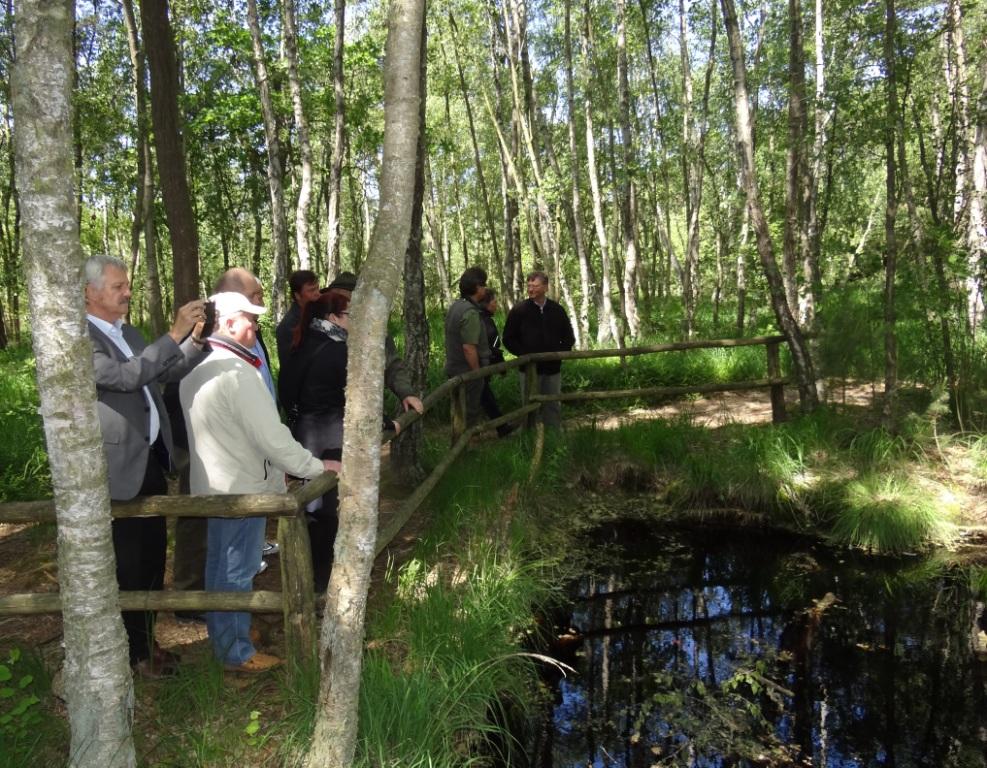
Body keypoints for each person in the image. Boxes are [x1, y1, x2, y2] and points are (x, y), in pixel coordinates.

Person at [180, 291, 337, 673]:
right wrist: (317, 467)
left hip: (214, 487)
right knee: (237, 570)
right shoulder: (237, 374)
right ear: (229, 323)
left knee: (220, 567)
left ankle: (228, 637)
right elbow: (271, 438)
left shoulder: (198, 369)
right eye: (250, 319)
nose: (255, 326)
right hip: (243, 488)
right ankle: (236, 653)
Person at [84, 254, 208, 678]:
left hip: (151, 460)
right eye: (118, 287)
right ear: (90, 293)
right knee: (131, 564)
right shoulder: (82, 339)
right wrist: (172, 333)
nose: (127, 293)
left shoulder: (128, 331)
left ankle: (145, 642)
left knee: (154, 558)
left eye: (126, 285)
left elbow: (163, 374)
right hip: (120, 468)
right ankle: (134, 652)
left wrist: (194, 341)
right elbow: (125, 378)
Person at [172, 267, 280, 613]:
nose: (261, 302)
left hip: (246, 445)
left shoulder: (251, 327)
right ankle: (193, 598)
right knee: (199, 519)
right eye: (257, 296)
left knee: (228, 539)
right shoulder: (203, 332)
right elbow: (180, 385)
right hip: (205, 443)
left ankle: (223, 608)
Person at [279, 291, 400, 592]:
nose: (355, 321)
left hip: (306, 433)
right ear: (333, 318)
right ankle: (325, 583)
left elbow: (287, 394)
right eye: (350, 315)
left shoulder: (300, 344)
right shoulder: (339, 351)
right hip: (331, 432)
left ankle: (316, 579)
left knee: (315, 508)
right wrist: (388, 424)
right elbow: (360, 399)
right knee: (331, 509)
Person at [321, 271, 424, 416]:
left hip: (366, 412)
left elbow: (392, 364)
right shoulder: (318, 328)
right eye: (336, 298)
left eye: (345, 299)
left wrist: (406, 393)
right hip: (328, 419)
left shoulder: (374, 327)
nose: (340, 303)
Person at [502, 270, 575, 428]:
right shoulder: (519, 311)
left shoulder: (557, 310)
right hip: (529, 370)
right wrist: (525, 355)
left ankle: (554, 437)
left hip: (552, 369)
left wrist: (558, 354)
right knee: (529, 405)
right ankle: (529, 438)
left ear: (545, 287)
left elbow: (569, 337)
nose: (531, 289)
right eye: (529, 286)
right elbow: (508, 338)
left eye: (535, 286)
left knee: (553, 405)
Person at [443, 267, 490, 427]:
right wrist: (477, 373)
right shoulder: (470, 312)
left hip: (453, 368)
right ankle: (465, 444)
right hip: (466, 371)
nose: (485, 288)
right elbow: (469, 348)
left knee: (457, 410)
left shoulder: (455, 306)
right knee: (468, 410)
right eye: (484, 285)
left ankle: (459, 442)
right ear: (477, 287)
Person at [476, 289, 515, 438]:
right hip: (480, 366)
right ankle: (500, 427)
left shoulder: (480, 318)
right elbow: (493, 348)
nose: (496, 304)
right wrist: (501, 366)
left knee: (485, 398)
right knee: (485, 398)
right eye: (494, 301)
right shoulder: (486, 322)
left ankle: (501, 427)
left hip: (479, 365)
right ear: (486, 304)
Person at [275, 269, 320, 367]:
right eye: (311, 290)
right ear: (297, 295)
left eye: (317, 288)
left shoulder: (316, 314)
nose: (317, 293)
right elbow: (292, 365)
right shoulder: (289, 326)